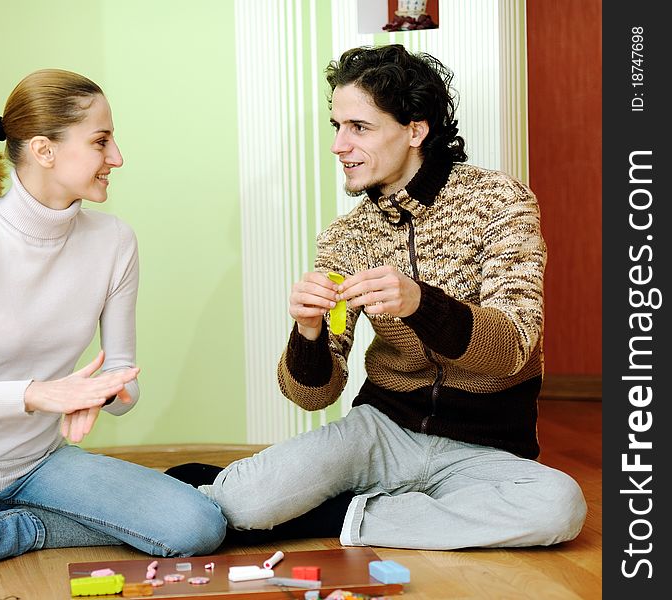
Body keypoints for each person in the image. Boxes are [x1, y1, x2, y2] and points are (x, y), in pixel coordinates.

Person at [168, 44, 587, 549]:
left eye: (359, 128)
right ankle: (307, 500)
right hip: (381, 432)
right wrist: (308, 333)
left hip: (485, 449)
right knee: (242, 504)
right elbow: (314, 395)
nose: (339, 146)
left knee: (558, 507)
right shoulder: (346, 238)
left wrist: (420, 303)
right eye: (336, 126)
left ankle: (336, 516)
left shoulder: (499, 201)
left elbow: (514, 345)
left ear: (415, 130)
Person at [0, 69, 225, 589]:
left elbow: (122, 371)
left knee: (197, 526)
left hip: (40, 468)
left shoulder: (114, 241)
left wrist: (104, 394)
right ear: (45, 150)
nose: (117, 157)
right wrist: (38, 394)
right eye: (101, 141)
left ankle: (20, 528)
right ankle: (28, 529)